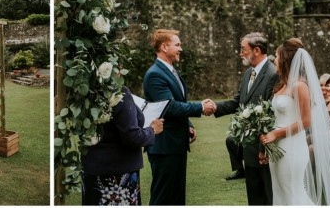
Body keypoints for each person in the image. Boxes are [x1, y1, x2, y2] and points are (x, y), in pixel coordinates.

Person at [258, 38, 330, 205]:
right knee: (280, 191)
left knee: (292, 191)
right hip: (277, 145)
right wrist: (266, 141)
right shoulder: (281, 85)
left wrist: (276, 133)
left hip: (292, 146)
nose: (273, 59)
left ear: (285, 59)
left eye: (276, 55)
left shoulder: (299, 86)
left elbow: (305, 121)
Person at [142, 29, 214, 205]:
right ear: (164, 47)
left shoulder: (171, 71)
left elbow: (178, 100)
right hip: (164, 145)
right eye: (177, 45)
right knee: (162, 197)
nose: (181, 49)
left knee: (176, 197)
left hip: (177, 144)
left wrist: (188, 124)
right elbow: (170, 106)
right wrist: (200, 107)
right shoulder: (155, 74)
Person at [212, 32, 277, 205]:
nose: (240, 53)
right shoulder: (249, 73)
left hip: (265, 149)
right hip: (248, 147)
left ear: (256, 50)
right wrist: (214, 107)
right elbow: (238, 101)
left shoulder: (273, 74)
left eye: (243, 49)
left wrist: (264, 147)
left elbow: (271, 113)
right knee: (254, 197)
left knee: (268, 196)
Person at [82, 87, 164, 205]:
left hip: (91, 169)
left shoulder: (85, 90)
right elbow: (132, 137)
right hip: (118, 173)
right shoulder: (120, 93)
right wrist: (152, 130)